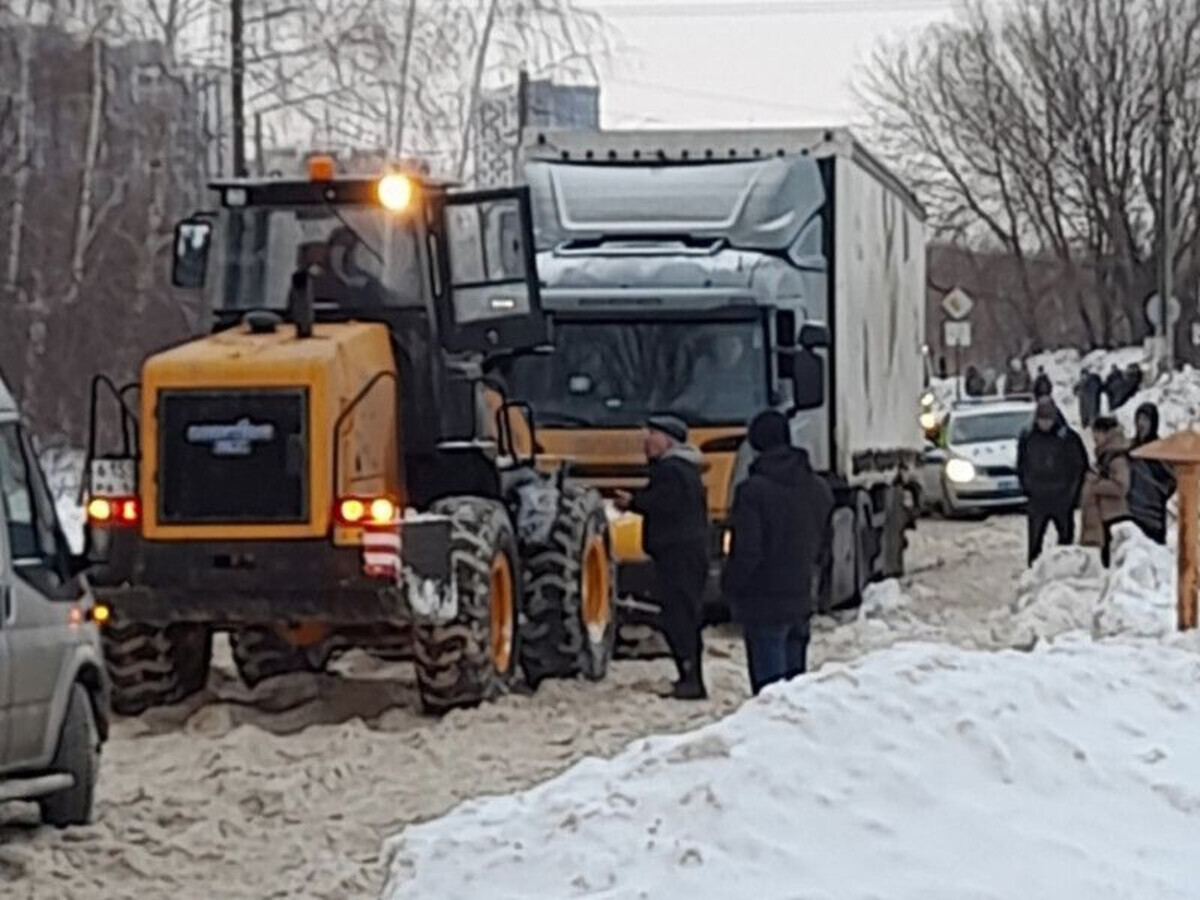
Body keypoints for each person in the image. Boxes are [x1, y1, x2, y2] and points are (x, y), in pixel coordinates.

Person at [722, 411, 833, 695]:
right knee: (796, 693)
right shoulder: (817, 488)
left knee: (770, 697)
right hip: (800, 597)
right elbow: (824, 543)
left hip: (763, 601)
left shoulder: (752, 492)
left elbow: (747, 552)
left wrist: (730, 585)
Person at [614, 415, 709, 699]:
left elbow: (666, 503)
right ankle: (689, 676)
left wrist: (634, 503)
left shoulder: (673, 471)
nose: (645, 441)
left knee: (680, 616)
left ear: (668, 440)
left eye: (652, 434)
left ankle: (690, 679)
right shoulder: (684, 469)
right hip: (685, 553)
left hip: (678, 555)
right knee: (683, 615)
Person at [1017, 397, 1088, 565]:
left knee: (1065, 542)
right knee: (1035, 543)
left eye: (1048, 419)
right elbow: (1021, 465)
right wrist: (1027, 487)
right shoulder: (1028, 437)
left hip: (1062, 499)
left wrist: (1072, 495)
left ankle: (1065, 572)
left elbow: (1079, 467)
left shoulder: (1068, 438)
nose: (1045, 424)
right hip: (1037, 499)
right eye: (1042, 420)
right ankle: (1033, 573)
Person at [1080, 416, 1132, 567]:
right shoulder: (1105, 455)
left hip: (1114, 515)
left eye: (1096, 433)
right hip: (1106, 515)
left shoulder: (1116, 457)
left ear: (1106, 433)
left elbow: (1121, 486)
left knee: (1111, 560)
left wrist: (1096, 485)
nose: (1094, 438)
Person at [1128, 402, 1176, 545]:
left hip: (1154, 517)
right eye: (1139, 419)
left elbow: (1171, 480)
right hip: (1131, 514)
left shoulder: (1161, 451)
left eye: (1146, 420)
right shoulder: (1130, 449)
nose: (1141, 424)